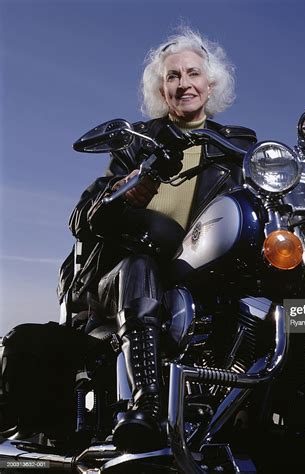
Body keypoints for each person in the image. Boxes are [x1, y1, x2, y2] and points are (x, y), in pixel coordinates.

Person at [57, 28, 257, 452]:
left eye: (193, 74)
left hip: (203, 275)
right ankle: (146, 403)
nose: (184, 83)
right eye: (172, 76)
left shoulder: (237, 145)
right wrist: (123, 190)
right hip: (124, 277)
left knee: (294, 294)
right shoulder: (134, 142)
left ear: (211, 83)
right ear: (160, 88)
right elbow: (83, 220)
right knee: (141, 265)